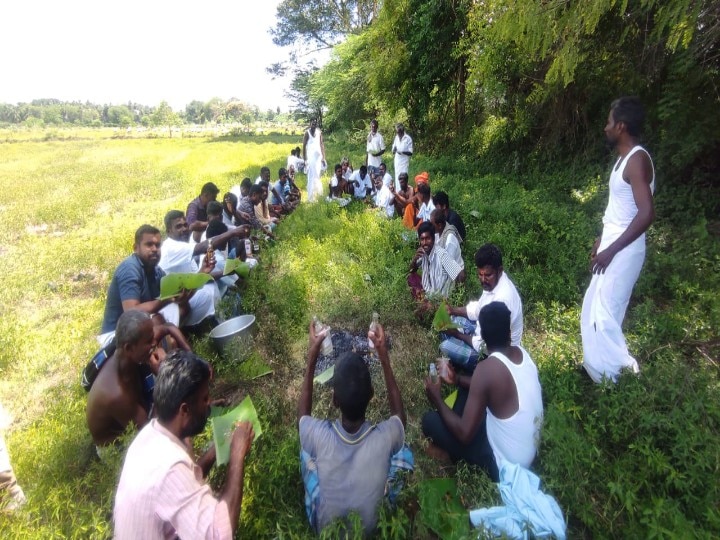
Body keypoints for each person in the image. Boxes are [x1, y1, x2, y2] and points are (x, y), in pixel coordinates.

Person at [114, 350, 255, 539]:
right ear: (185, 410)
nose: (209, 404)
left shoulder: (149, 435)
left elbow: (184, 479)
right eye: (205, 399)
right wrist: (237, 455)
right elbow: (218, 534)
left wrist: (216, 450)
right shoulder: (170, 469)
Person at [298, 321, 413, 535]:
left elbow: (302, 418)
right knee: (404, 452)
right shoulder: (385, 436)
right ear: (371, 395)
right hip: (371, 528)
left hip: (327, 530)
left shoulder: (320, 435)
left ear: (334, 400)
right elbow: (399, 417)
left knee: (305, 451)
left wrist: (312, 356)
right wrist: (384, 355)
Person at [422, 302, 543, 481]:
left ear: (483, 336)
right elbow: (487, 386)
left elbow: (464, 435)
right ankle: (455, 418)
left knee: (429, 421)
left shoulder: (486, 369)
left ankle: (450, 454)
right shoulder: (521, 353)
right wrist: (457, 380)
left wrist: (437, 398)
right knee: (466, 389)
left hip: (504, 464)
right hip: (526, 449)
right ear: (509, 332)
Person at [581, 97, 655, 383]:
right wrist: (602, 239)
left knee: (607, 315)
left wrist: (611, 250)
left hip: (625, 251)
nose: (605, 128)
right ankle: (596, 369)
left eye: (610, 122)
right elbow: (620, 210)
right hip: (613, 246)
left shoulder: (637, 160)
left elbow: (646, 213)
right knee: (593, 307)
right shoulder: (623, 160)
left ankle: (618, 378)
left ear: (621, 126)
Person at [100, 225, 200, 339]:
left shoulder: (156, 270)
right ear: (135, 248)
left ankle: (169, 345)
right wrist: (166, 299)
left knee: (183, 307)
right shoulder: (130, 269)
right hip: (115, 334)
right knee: (158, 320)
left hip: (139, 323)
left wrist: (201, 275)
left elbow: (175, 297)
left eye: (157, 245)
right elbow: (131, 311)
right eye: (149, 245)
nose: (154, 249)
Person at [440, 243, 522, 371]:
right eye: (480, 274)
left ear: (499, 270)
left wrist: (457, 334)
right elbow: (479, 309)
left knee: (445, 346)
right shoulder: (494, 283)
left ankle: (477, 369)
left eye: (488, 275)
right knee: (453, 321)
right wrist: (453, 310)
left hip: (495, 355)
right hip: (484, 332)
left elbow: (485, 345)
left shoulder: (503, 300)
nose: (483, 280)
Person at [87, 310, 162, 447]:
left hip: (134, 416)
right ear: (129, 348)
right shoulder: (117, 394)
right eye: (149, 341)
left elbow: (165, 328)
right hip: (117, 447)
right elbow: (152, 432)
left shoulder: (128, 357)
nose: (154, 343)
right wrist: (162, 378)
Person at [408, 222, 465, 301]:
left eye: (428, 238)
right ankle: (423, 300)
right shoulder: (422, 253)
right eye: (422, 239)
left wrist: (456, 298)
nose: (424, 243)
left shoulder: (441, 255)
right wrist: (414, 259)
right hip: (428, 294)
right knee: (411, 277)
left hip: (440, 300)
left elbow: (461, 275)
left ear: (433, 239)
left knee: (421, 310)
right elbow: (411, 270)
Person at [302, 119, 326, 202]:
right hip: (310, 158)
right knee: (311, 176)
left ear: (316, 125)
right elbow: (304, 146)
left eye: (315, 124)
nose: (314, 125)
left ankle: (318, 195)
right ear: (310, 124)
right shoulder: (307, 133)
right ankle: (311, 197)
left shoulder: (319, 132)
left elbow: (321, 144)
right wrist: (305, 159)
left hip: (318, 158)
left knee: (317, 175)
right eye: (312, 124)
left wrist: (323, 157)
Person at [391, 123, 413, 192]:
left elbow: (410, 152)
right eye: (397, 132)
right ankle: (398, 193)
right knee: (397, 177)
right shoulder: (396, 138)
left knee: (403, 178)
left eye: (400, 132)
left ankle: (404, 193)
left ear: (403, 130)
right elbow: (393, 149)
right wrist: (394, 150)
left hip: (404, 162)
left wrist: (402, 152)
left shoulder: (408, 138)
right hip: (397, 161)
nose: (398, 134)